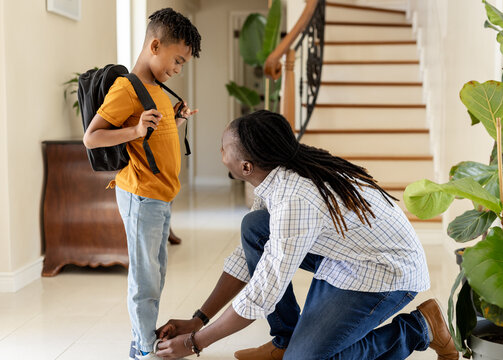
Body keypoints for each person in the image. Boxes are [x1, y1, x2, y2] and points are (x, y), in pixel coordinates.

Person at [154, 110, 459, 360]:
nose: (220, 153)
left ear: (245, 166)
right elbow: (251, 257)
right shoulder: (275, 174)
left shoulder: (295, 199)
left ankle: (419, 328)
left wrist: (195, 342)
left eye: (223, 149)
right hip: (349, 256)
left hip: (385, 273)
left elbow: (263, 291)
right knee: (255, 227)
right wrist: (200, 318)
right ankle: (286, 340)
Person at [83, 8, 201, 360]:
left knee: (156, 271)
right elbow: (92, 138)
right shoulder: (126, 89)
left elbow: (152, 136)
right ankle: (142, 347)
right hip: (140, 195)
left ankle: (143, 336)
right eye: (177, 60)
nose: (178, 69)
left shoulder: (157, 88)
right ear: (155, 45)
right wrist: (134, 130)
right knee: (145, 277)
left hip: (159, 196)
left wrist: (175, 121)